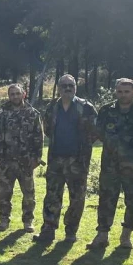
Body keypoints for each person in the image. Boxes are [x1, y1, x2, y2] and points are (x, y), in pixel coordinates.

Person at [87, 79, 133, 250]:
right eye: (120, 91)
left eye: (126, 91)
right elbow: (99, 132)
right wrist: (113, 145)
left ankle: (126, 235)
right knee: (106, 198)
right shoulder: (106, 111)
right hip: (110, 163)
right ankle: (102, 235)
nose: (123, 95)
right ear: (115, 92)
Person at [33, 74, 98, 245]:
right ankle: (48, 230)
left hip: (78, 161)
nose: (67, 88)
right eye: (64, 86)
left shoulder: (86, 107)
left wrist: (81, 148)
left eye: (71, 85)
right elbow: (47, 129)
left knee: (77, 198)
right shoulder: (52, 107)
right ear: (59, 88)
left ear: (75, 87)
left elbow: (95, 132)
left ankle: (71, 231)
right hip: (56, 159)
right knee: (52, 196)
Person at [0, 84, 43, 233]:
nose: (15, 97)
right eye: (12, 94)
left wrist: (37, 158)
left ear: (23, 94)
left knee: (29, 194)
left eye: (17, 94)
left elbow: (39, 137)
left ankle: (28, 221)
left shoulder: (32, 113)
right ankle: (4, 219)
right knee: (4, 193)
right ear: (9, 96)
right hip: (6, 161)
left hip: (26, 161)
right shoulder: (2, 114)